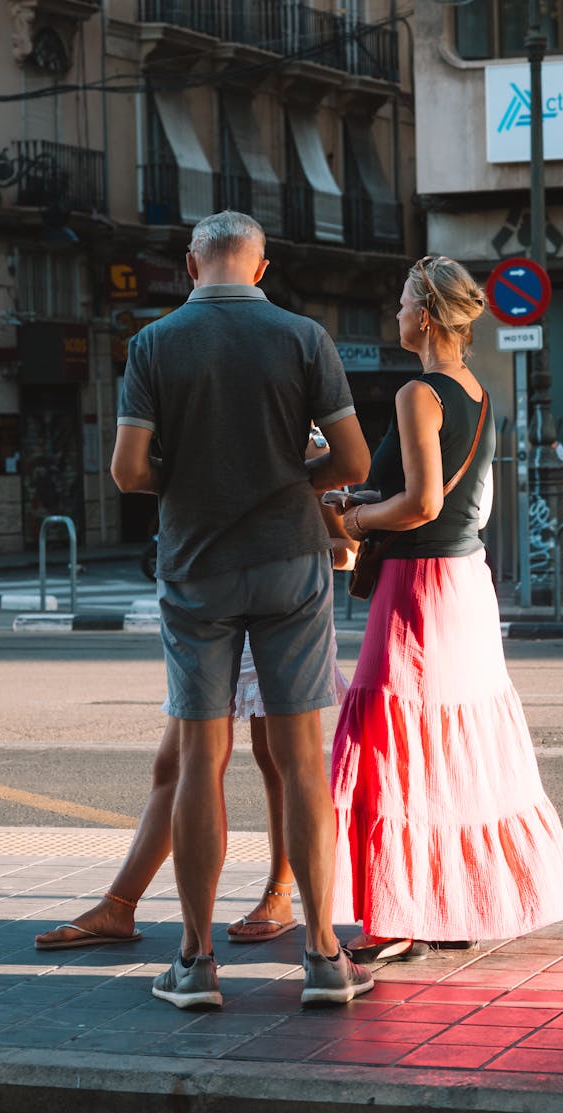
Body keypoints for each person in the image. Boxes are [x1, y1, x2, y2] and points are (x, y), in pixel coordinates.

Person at [110, 210, 373, 1008]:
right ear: (261, 269)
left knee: (201, 760)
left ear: (193, 264)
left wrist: (190, 474)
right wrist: (292, 469)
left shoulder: (153, 344)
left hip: (196, 565)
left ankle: (194, 964)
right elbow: (354, 460)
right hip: (292, 562)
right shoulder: (303, 338)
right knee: (299, 760)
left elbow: (128, 472)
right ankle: (324, 956)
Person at [332, 255, 563, 962]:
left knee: (395, 745)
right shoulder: (479, 389)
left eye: (406, 301)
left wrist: (355, 521)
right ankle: (455, 904)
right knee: (454, 747)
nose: (397, 311)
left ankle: (395, 915)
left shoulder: (419, 394)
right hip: (466, 584)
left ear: (429, 316)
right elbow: (469, 503)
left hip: (419, 591)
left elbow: (422, 503)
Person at [34, 483, 356, 952]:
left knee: (279, 761)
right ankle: (121, 905)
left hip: (273, 601)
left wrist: (301, 538)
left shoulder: (302, 434)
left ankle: (279, 896)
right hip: (216, 593)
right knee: (177, 763)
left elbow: (345, 547)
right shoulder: (227, 419)